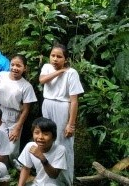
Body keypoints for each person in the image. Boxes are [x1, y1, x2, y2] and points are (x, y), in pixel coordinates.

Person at [39, 44, 84, 184]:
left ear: (65, 59)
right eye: (53, 55)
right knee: (47, 140)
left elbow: (74, 101)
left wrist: (71, 124)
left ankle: (65, 180)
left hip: (63, 107)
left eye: (59, 56)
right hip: (47, 104)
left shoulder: (72, 73)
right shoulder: (46, 67)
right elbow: (42, 80)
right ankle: (48, 178)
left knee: (63, 143)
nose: (55, 59)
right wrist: (59, 72)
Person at [0, 55, 37, 163]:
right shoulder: (2, 75)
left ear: (24, 68)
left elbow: (26, 109)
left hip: (15, 116)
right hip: (0, 111)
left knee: (11, 150)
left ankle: (12, 168)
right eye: (13, 65)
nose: (15, 68)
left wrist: (17, 127)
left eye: (18, 66)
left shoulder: (26, 86)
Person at [17, 117, 69, 186]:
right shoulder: (30, 146)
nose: (40, 137)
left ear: (54, 137)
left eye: (46, 134)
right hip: (38, 184)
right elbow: (26, 168)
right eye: (37, 133)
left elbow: (54, 175)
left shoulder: (60, 150)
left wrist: (42, 158)